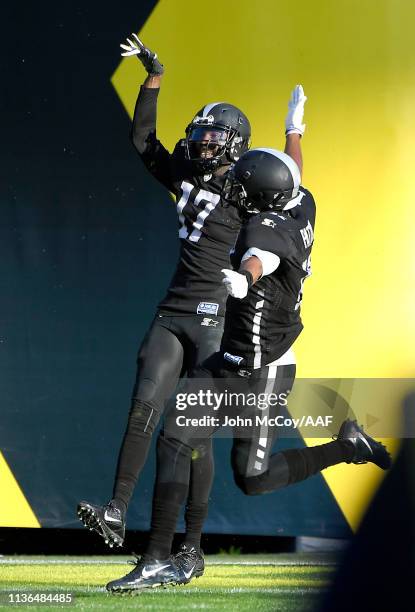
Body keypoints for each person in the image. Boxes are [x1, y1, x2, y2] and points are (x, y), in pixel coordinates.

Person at [105, 147, 391, 593]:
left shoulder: (264, 232)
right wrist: (295, 133)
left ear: (261, 195)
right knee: (176, 437)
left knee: (252, 479)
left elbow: (262, 256)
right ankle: (157, 559)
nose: (233, 186)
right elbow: (293, 177)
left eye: (241, 182)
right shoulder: (300, 203)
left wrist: (246, 276)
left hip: (263, 370)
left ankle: (346, 447)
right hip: (233, 360)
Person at [77, 32, 306, 565]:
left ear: (236, 145)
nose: (203, 143)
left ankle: (193, 544)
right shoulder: (185, 171)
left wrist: (294, 133)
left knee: (192, 432)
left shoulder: (248, 187)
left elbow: (291, 183)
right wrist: (153, 80)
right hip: (174, 306)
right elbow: (143, 141)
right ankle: (117, 508)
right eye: (201, 134)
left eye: (213, 137)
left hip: (217, 315)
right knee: (144, 404)